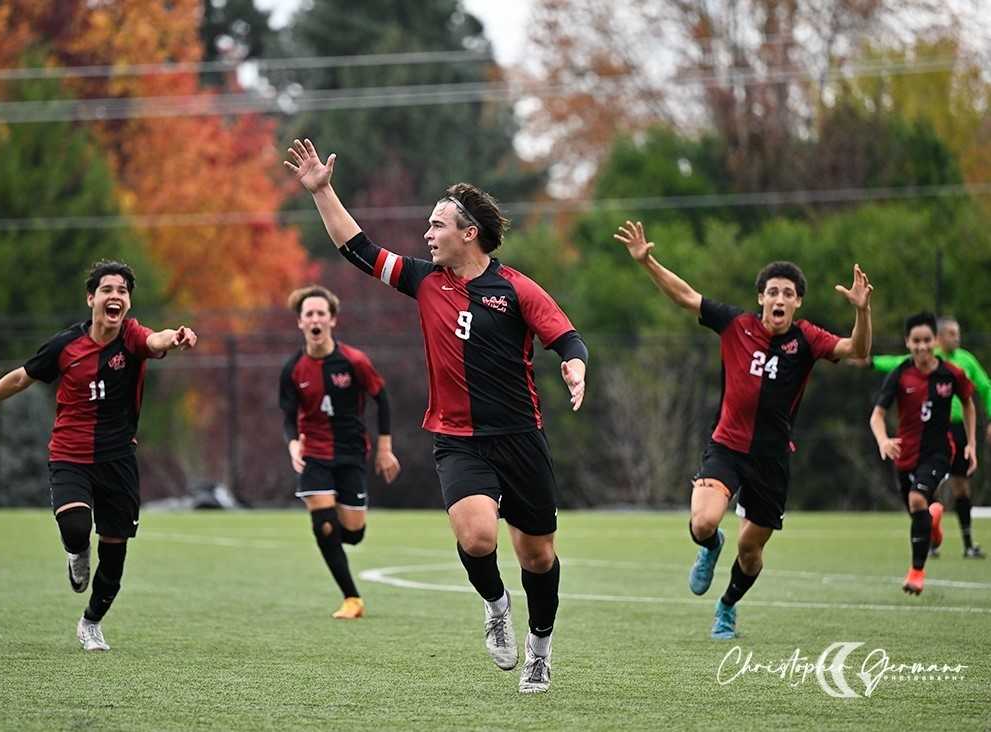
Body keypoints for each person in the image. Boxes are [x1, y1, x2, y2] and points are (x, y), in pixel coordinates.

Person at [284, 138, 588, 694]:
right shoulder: (425, 280)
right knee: (476, 539)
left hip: (520, 437)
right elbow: (358, 248)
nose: (427, 234)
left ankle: (540, 650)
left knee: (539, 556)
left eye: (437, 224)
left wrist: (574, 367)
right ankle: (496, 606)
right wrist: (323, 191)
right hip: (457, 439)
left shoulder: (515, 288)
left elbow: (567, 337)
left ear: (468, 233)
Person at [614, 220, 872, 640]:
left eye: (788, 293)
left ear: (798, 303)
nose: (780, 298)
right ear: (761, 298)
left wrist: (862, 310)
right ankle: (709, 547)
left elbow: (858, 350)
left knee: (750, 553)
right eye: (773, 291)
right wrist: (648, 263)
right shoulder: (736, 324)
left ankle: (727, 607)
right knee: (703, 523)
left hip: (770, 461)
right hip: (727, 447)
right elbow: (685, 295)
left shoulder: (807, 340)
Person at [0, 260, 197, 652]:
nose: (115, 297)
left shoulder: (133, 338)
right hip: (70, 454)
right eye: (107, 290)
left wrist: (173, 339)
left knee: (115, 556)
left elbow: (155, 340)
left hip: (118, 459)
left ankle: (90, 623)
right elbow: (21, 377)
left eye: (122, 291)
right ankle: (77, 552)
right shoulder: (65, 346)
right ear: (91, 298)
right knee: (76, 529)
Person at [279, 284, 401, 620]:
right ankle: (352, 598)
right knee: (325, 527)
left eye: (321, 313)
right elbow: (288, 417)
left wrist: (385, 448)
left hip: (351, 454)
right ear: (300, 323)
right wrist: (293, 442)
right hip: (314, 454)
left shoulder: (354, 361)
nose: (315, 319)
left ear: (332, 320)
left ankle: (343, 532)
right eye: (309, 314)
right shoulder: (292, 369)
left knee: (353, 533)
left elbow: (382, 397)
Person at [858, 316, 988, 558]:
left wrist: (981, 430)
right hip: (914, 436)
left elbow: (983, 388)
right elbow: (893, 364)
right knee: (919, 498)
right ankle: (931, 531)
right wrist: (870, 361)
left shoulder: (962, 364)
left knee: (959, 486)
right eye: (951, 333)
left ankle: (967, 543)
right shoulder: (908, 367)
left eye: (957, 333)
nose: (956, 338)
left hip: (952, 432)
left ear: (934, 341)